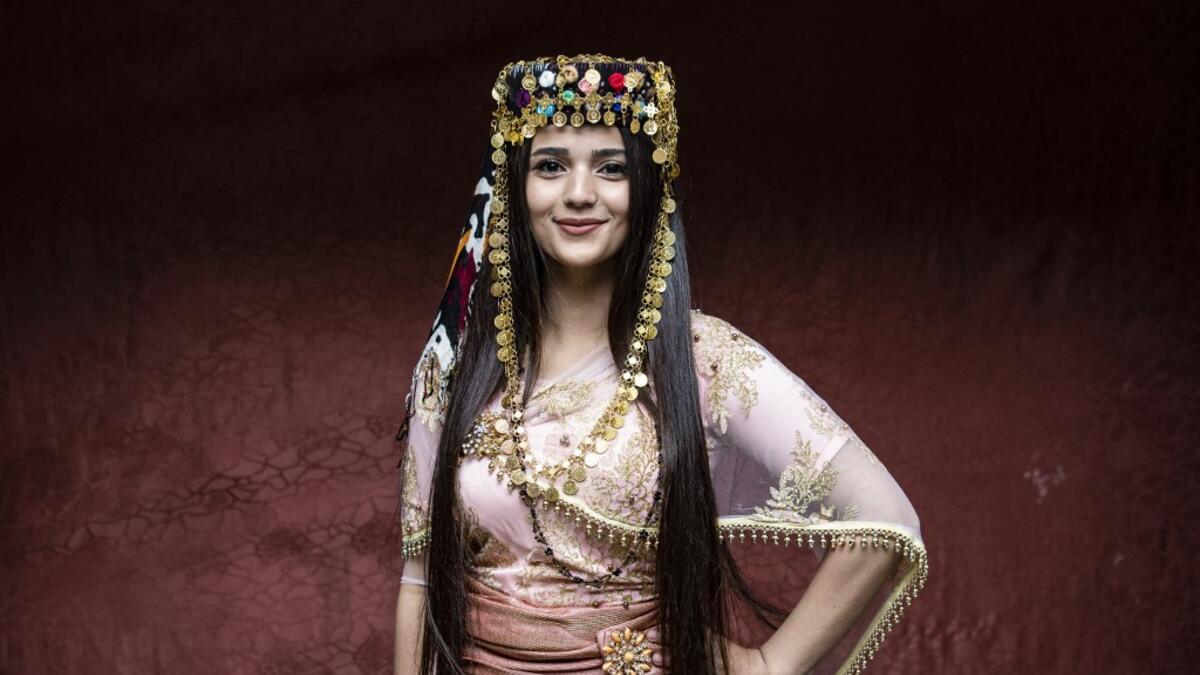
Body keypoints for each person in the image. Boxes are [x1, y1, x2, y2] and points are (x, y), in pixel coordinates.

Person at [392, 53, 927, 675]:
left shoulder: (705, 362)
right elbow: (420, 579)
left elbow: (884, 519)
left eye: (611, 168)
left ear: (647, 188)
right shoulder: (454, 369)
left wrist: (765, 668)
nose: (579, 193)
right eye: (550, 165)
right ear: (515, 186)